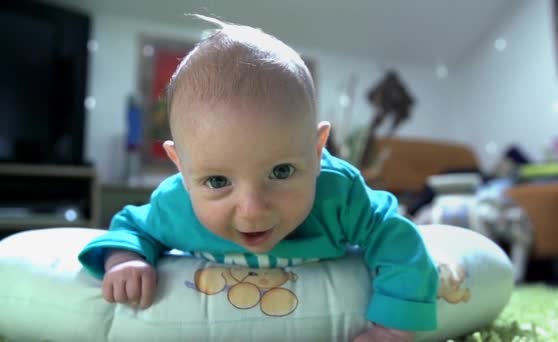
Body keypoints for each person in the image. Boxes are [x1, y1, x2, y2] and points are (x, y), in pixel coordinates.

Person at [79, 15, 438, 341]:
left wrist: (393, 328)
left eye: (281, 171)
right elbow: (130, 225)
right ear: (182, 168)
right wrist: (125, 259)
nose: (252, 210)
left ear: (316, 152)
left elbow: (395, 236)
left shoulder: (338, 194)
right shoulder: (176, 204)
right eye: (218, 181)